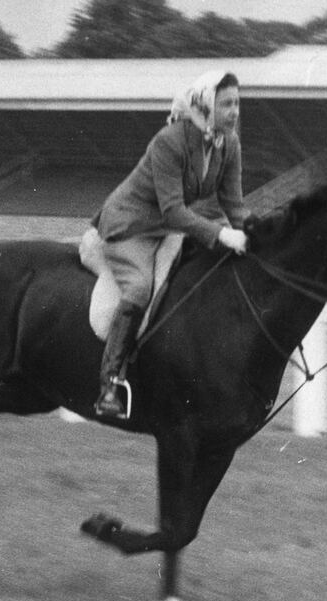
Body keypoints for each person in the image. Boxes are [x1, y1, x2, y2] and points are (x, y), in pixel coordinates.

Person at [91, 70, 251, 419]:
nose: (235, 111)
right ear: (206, 106)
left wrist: (253, 237)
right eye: (227, 104)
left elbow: (234, 205)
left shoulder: (230, 144)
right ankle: (109, 384)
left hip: (166, 228)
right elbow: (175, 211)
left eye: (238, 103)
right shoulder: (169, 141)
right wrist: (222, 235)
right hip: (129, 225)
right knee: (139, 288)